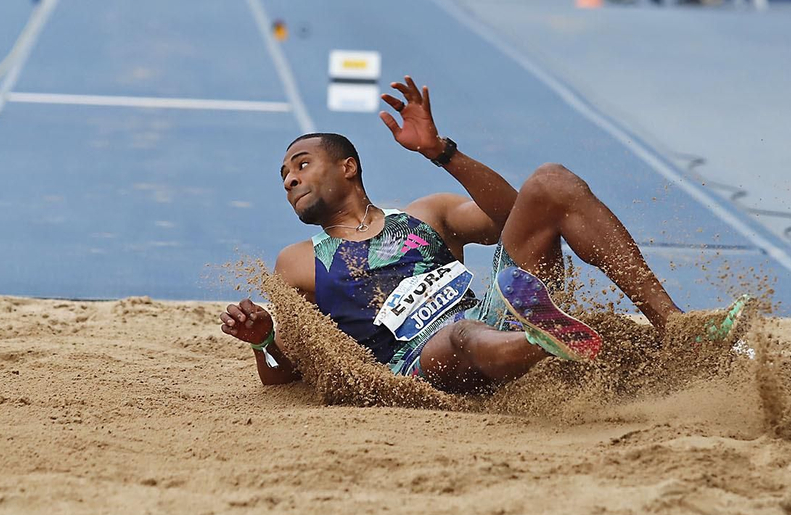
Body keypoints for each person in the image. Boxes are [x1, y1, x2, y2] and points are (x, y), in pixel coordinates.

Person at [219, 76, 754, 396]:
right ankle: (546, 339)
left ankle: (675, 327)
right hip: (424, 364)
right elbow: (282, 376)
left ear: (348, 168)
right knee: (458, 337)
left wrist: (441, 153)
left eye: (301, 164)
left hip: (496, 315)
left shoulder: (425, 216)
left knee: (550, 183)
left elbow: (509, 218)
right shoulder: (297, 263)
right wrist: (265, 340)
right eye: (284, 176)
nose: (289, 179)